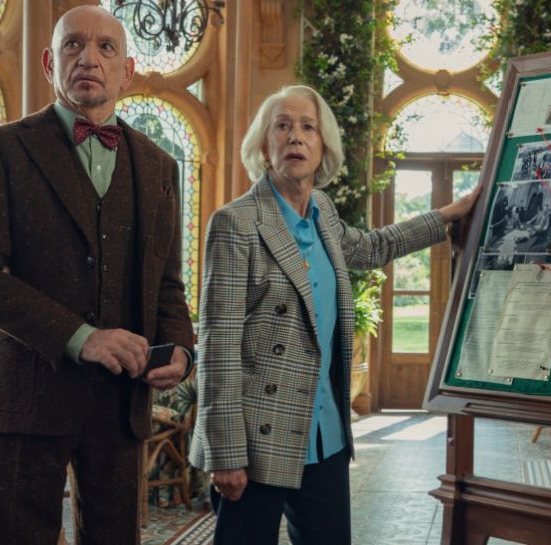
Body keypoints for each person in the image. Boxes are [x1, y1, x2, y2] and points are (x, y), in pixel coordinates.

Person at [189, 84, 479, 545]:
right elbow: (218, 345)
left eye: (308, 127)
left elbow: (372, 246)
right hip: (255, 440)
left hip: (324, 435)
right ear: (264, 148)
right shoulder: (235, 222)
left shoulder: (322, 210)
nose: (295, 137)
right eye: (281, 126)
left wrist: (447, 215)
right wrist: (226, 453)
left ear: (323, 147)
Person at [0, 5, 194, 543]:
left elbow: (168, 283)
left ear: (127, 71)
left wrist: (179, 346)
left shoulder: (160, 166)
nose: (89, 57)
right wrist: (81, 339)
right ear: (49, 62)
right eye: (73, 45)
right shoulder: (0, 149)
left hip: (119, 407)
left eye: (106, 47)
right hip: (23, 400)